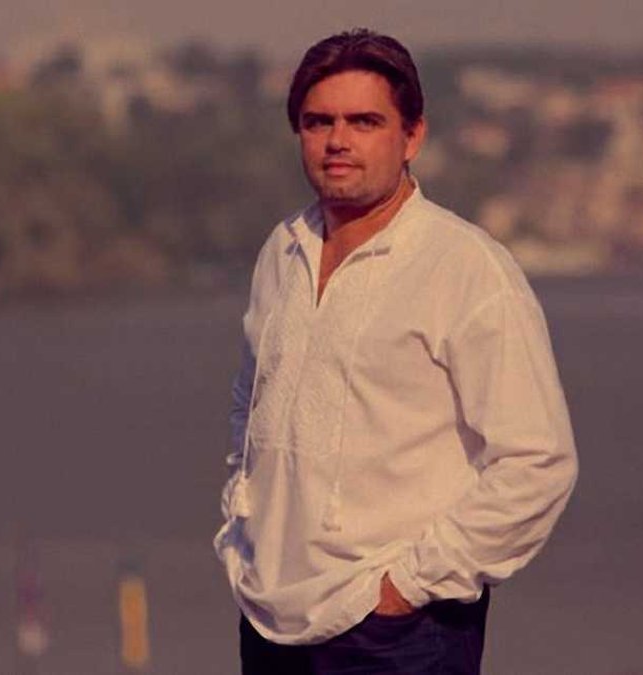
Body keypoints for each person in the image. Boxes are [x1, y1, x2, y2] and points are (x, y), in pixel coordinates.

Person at [213, 29, 579, 674]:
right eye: (318, 122)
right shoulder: (282, 250)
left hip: (398, 636)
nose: (338, 140)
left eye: (364, 121)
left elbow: (538, 462)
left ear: (412, 136)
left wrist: (407, 585)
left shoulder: (465, 268)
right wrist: (244, 530)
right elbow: (254, 401)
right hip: (271, 621)